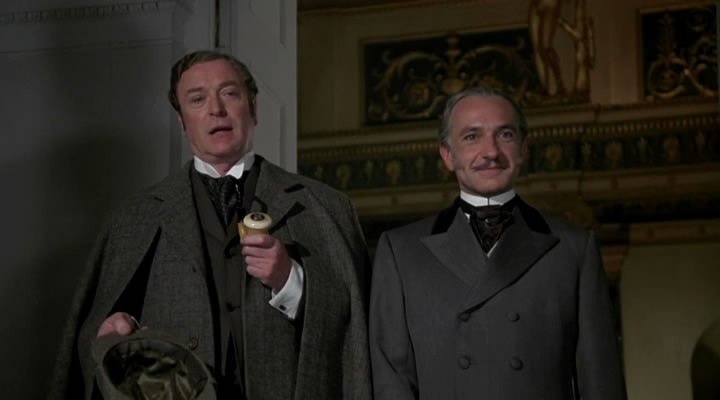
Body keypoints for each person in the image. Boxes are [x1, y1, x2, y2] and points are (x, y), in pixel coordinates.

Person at [49, 50, 371, 400]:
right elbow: (90, 339)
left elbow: (358, 327)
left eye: (229, 93)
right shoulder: (134, 218)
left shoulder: (323, 206)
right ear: (182, 122)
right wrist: (111, 334)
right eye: (197, 99)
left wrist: (289, 279)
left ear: (254, 109)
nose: (216, 109)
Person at [369, 86, 626, 399]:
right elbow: (391, 381)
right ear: (448, 155)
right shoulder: (401, 252)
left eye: (505, 135)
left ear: (523, 148)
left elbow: (600, 380)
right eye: (472, 136)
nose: (490, 152)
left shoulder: (574, 248)